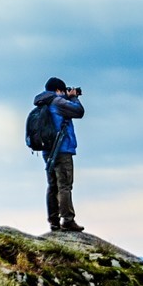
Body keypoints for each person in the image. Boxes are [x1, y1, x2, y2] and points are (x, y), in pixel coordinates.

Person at [35, 76, 85, 232]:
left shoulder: (42, 103)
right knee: (65, 185)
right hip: (61, 149)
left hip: (47, 150)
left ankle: (54, 221)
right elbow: (79, 111)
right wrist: (74, 97)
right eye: (63, 91)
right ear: (58, 90)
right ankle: (68, 220)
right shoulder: (57, 102)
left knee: (52, 185)